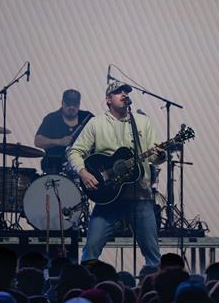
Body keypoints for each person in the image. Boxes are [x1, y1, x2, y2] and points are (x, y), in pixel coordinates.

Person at [67, 81, 165, 267]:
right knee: (91, 250)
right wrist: (83, 173)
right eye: (118, 92)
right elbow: (74, 151)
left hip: (140, 197)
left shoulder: (143, 122)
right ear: (108, 100)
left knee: (153, 255)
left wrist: (160, 155)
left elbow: (153, 157)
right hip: (108, 198)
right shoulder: (96, 123)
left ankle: (153, 283)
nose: (124, 94)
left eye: (126, 92)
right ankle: (87, 283)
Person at [35, 89, 94, 175]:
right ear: (62, 103)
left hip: (83, 168)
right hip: (55, 169)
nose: (71, 107)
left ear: (79, 104)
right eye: (68, 104)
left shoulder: (87, 117)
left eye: (74, 105)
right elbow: (38, 141)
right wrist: (59, 141)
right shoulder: (52, 118)